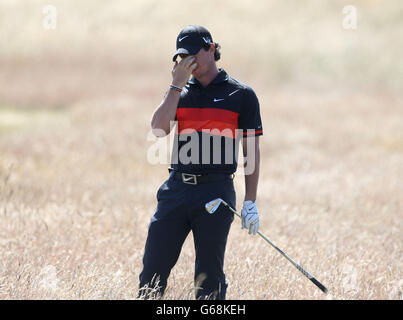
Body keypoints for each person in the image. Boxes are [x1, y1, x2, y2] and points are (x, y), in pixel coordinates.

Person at [138, 25, 263, 300]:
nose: (187, 63)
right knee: (152, 273)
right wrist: (175, 85)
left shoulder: (241, 95)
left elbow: (251, 153)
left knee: (208, 279)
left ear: (211, 49)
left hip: (215, 193)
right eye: (182, 58)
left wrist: (250, 201)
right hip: (175, 190)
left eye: (192, 55)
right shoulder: (179, 93)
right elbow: (159, 129)